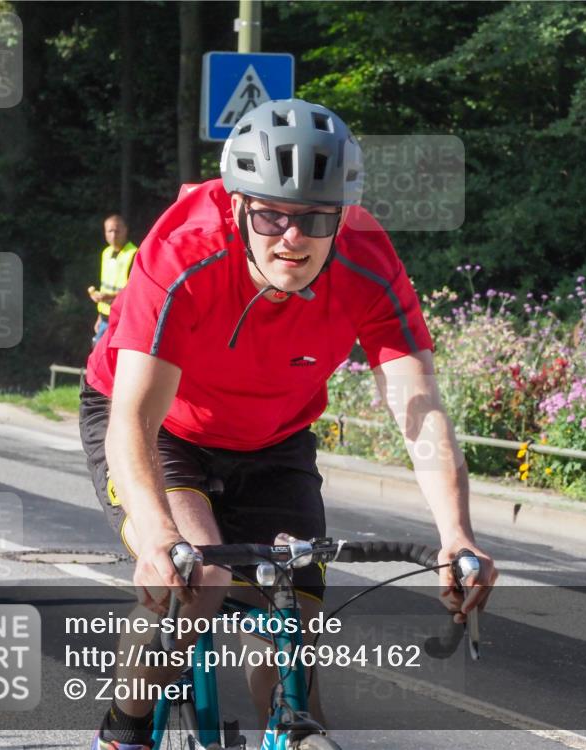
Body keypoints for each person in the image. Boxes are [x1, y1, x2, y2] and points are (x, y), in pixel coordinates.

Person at [79, 98, 498, 750]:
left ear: (343, 215)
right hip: (164, 428)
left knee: (294, 650)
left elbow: (417, 403)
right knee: (198, 580)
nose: (292, 237)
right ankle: (124, 730)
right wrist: (159, 535)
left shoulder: (366, 260)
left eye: (315, 218)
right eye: (271, 214)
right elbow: (135, 417)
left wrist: (456, 534)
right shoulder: (184, 249)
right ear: (238, 205)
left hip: (274, 438)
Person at [88, 214, 138, 345]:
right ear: (105, 232)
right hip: (105, 318)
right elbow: (105, 285)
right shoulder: (106, 253)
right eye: (110, 231)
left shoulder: (134, 255)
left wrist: (109, 297)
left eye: (117, 231)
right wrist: (100, 316)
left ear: (125, 230)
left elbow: (135, 292)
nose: (114, 235)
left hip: (123, 319)